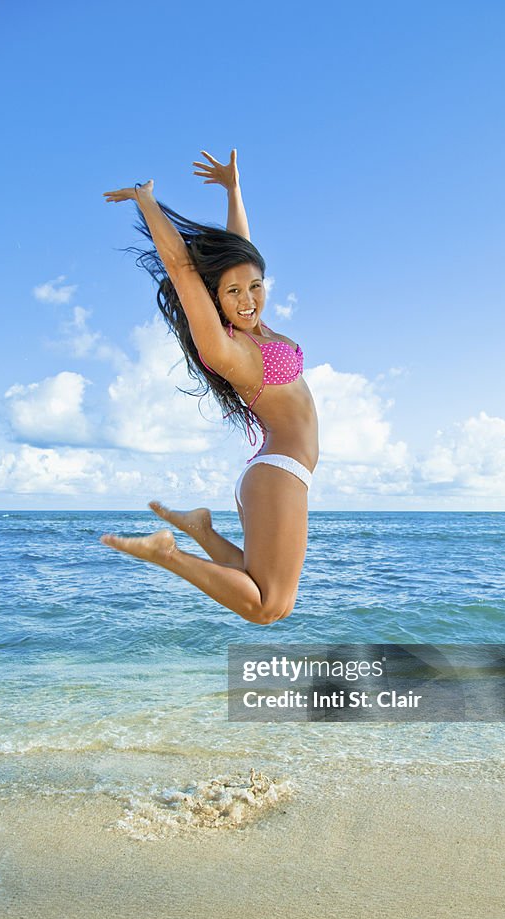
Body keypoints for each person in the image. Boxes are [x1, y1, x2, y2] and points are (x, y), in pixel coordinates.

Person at [100, 149, 319, 624]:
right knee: (268, 607)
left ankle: (201, 529)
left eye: (255, 287)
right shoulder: (226, 347)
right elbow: (181, 268)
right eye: (232, 293)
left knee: (261, 588)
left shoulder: (260, 328)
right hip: (278, 471)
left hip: (280, 472)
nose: (246, 300)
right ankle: (168, 554)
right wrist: (145, 200)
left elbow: (240, 255)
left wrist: (233, 189)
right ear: (215, 300)